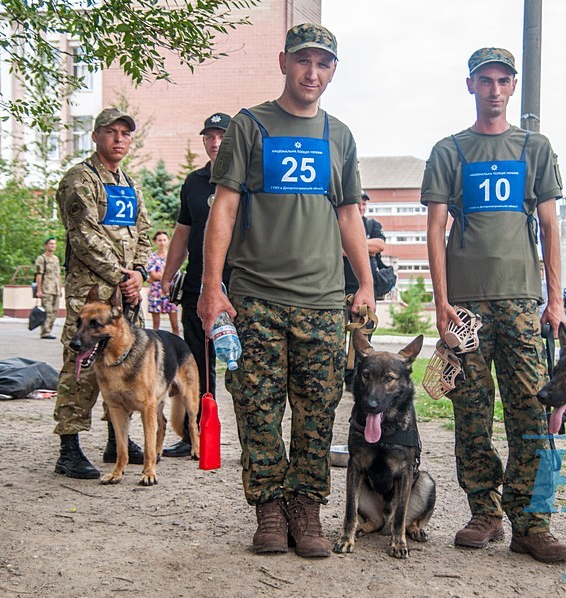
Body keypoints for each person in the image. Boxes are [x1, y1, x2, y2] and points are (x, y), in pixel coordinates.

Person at [197, 23, 373, 558]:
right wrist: (211, 286)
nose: (312, 72)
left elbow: (348, 214)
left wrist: (364, 281)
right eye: (303, 61)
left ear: (333, 71)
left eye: (323, 64)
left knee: (318, 411)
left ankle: (307, 509)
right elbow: (223, 207)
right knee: (257, 408)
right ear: (283, 62)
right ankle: (269, 510)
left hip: (322, 302)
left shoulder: (338, 135)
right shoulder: (251, 126)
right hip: (255, 297)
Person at [422, 47, 566, 563]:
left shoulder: (534, 147)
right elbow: (435, 228)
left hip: (523, 302)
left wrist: (555, 300)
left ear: (512, 87)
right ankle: (484, 511)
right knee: (472, 411)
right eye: (484, 80)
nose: (494, 89)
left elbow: (551, 227)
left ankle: (531, 523)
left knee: (532, 408)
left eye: (503, 80)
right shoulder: (450, 150)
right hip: (466, 304)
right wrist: (441, 303)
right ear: (470, 86)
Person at [52, 108, 152, 480]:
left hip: (125, 298)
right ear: (95, 136)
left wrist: (138, 274)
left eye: (126, 133)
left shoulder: (129, 184)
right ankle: (69, 449)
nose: (119, 139)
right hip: (91, 294)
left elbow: (144, 232)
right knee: (79, 366)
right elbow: (84, 236)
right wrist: (121, 275)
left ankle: (117, 441)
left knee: (123, 364)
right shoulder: (80, 179)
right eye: (112, 132)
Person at [162, 111, 232, 458]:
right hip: (197, 288)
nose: (215, 142)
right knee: (199, 366)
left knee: (247, 367)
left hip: (241, 287)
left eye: (221, 135)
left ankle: (256, 445)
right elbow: (182, 233)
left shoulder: (250, 178)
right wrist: (166, 276)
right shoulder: (193, 182)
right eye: (209, 136)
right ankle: (198, 439)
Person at [342, 189, 386, 391]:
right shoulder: (340, 222)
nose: (361, 207)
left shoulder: (372, 225)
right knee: (337, 337)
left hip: (365, 290)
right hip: (340, 288)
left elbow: (379, 245)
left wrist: (353, 244)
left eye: (364, 204)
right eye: (358, 203)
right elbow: (337, 247)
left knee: (362, 338)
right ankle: (341, 375)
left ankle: (358, 379)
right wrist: (362, 246)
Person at [146, 230, 180, 335]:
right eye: (159, 240)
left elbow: (175, 273)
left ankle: (177, 344)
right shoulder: (152, 257)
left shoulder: (173, 256)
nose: (162, 242)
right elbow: (153, 275)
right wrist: (166, 274)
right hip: (155, 291)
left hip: (169, 290)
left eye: (164, 240)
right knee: (156, 324)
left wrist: (159, 275)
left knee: (175, 324)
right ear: (155, 241)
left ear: (168, 241)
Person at [34, 237, 63, 340]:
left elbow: (58, 274)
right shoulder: (42, 258)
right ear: (46, 245)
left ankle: (49, 330)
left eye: (54, 244)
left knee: (55, 311)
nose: (53, 246)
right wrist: (39, 290)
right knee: (47, 311)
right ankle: (45, 332)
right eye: (50, 244)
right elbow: (39, 275)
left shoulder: (56, 259)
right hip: (46, 289)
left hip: (55, 289)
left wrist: (60, 288)